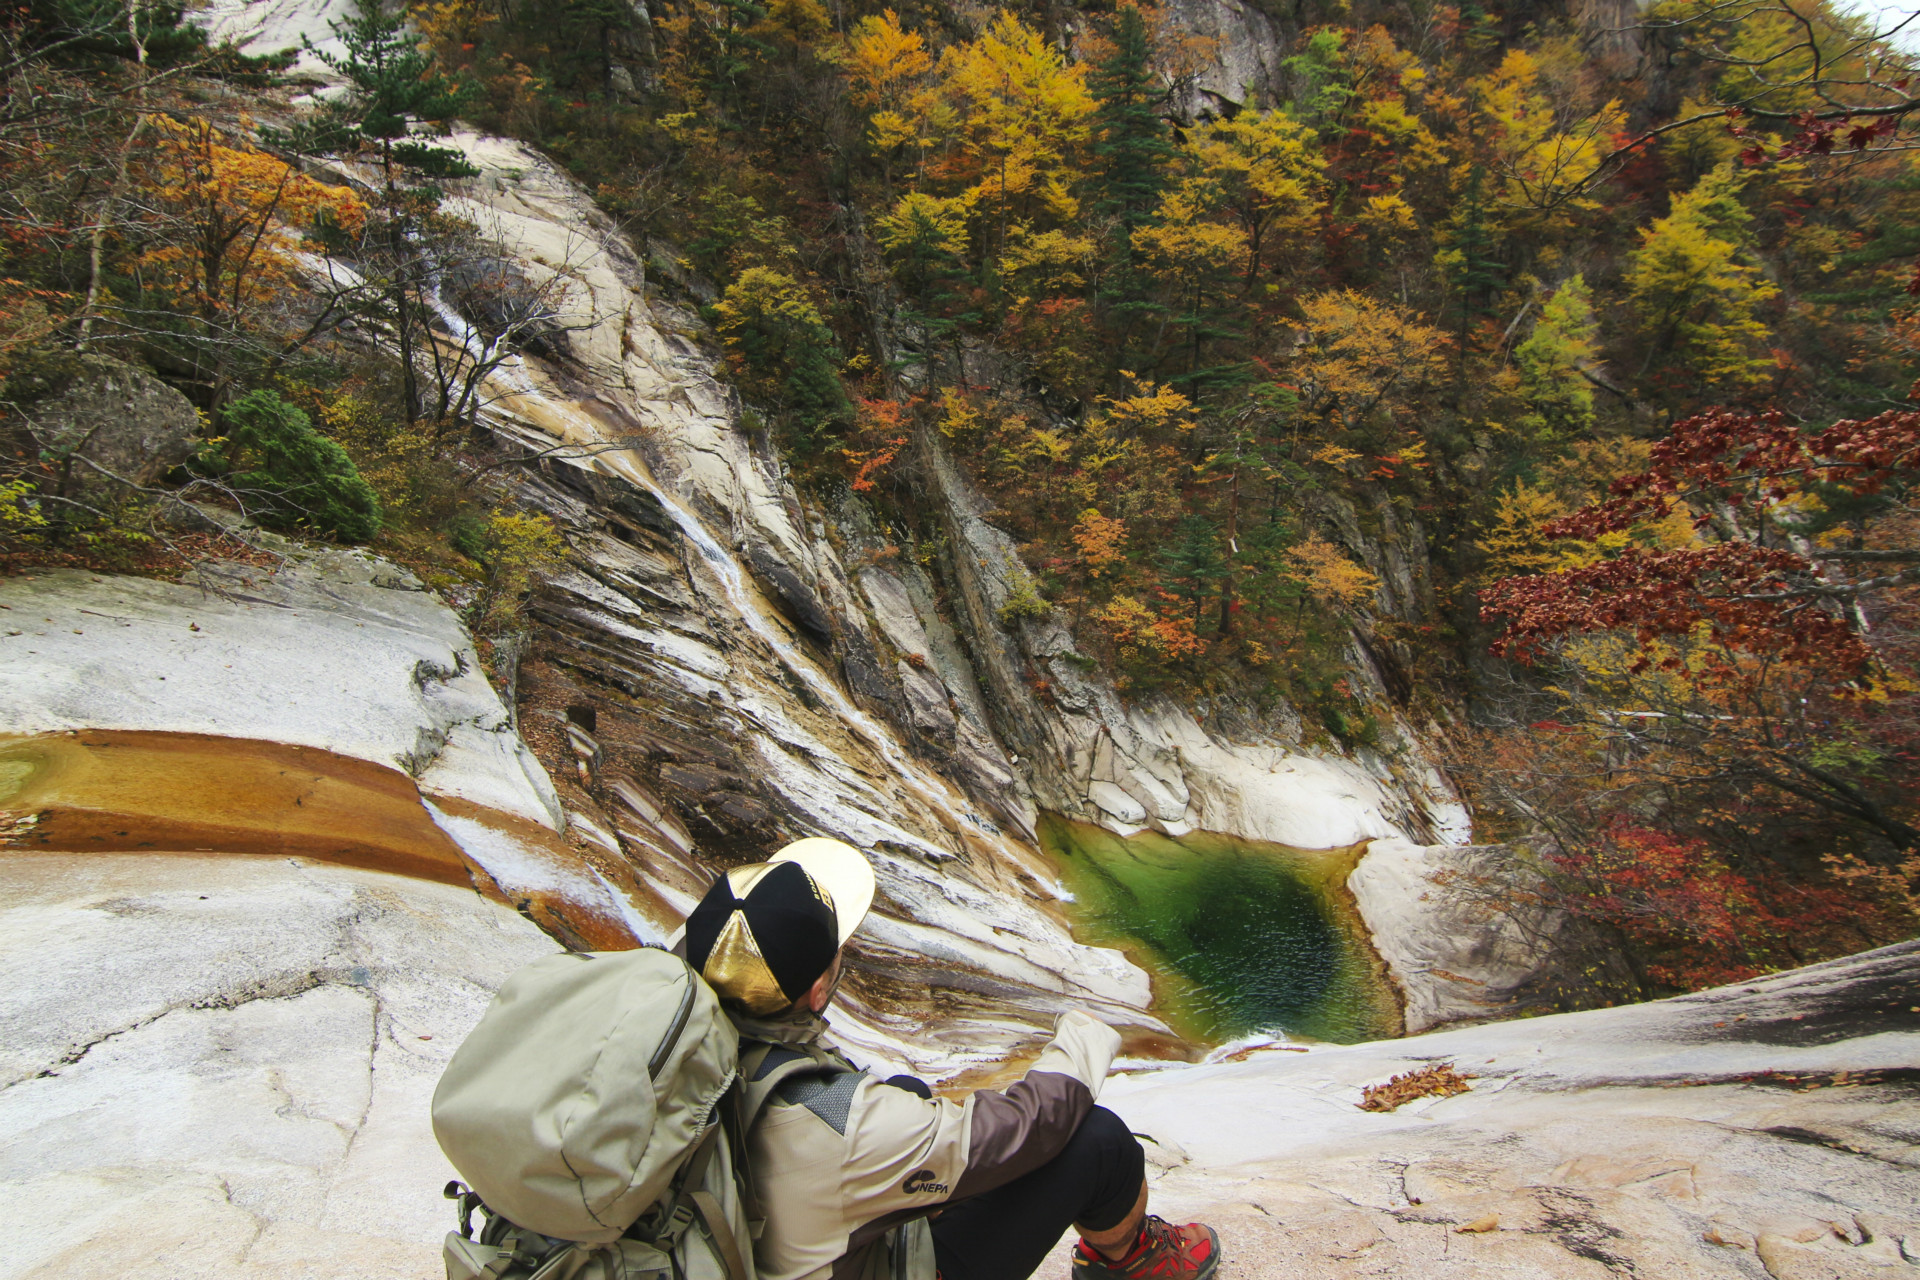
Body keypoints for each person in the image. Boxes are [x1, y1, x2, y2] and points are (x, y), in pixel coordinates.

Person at [676, 837, 1221, 1280]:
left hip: (737, 1244)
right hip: (848, 1236)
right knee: (1097, 1142)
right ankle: (1135, 1262)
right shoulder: (837, 1123)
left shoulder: (664, 1037)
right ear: (817, 990)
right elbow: (1025, 1127)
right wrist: (1088, 1034)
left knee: (908, 1094)